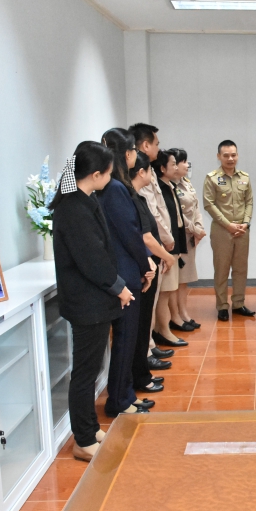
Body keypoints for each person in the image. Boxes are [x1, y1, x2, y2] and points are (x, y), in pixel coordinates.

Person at [50, 141, 133, 461]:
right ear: (95, 174)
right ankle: (83, 439)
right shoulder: (72, 208)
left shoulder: (84, 199)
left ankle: (90, 428)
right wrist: (118, 287)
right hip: (87, 303)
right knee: (85, 374)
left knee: (92, 368)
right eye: (108, 174)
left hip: (94, 301)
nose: (110, 179)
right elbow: (92, 260)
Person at [96, 137, 156, 417]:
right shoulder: (117, 188)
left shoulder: (112, 186)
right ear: (129, 154)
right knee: (125, 338)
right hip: (125, 272)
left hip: (121, 270)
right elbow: (131, 234)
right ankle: (120, 399)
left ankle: (124, 395)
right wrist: (145, 265)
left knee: (126, 338)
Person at [128, 152, 178, 396]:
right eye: (150, 170)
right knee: (137, 328)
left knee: (142, 323)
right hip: (140, 269)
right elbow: (145, 237)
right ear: (141, 172)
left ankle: (142, 374)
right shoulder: (130, 198)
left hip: (148, 264)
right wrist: (166, 256)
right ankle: (139, 377)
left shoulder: (136, 197)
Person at [203, 140, 255, 321]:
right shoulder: (212, 178)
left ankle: (239, 303)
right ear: (219, 156)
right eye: (226, 155)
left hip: (242, 230)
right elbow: (209, 204)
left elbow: (249, 202)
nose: (230, 159)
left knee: (240, 269)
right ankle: (222, 306)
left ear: (237, 155)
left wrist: (246, 223)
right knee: (222, 269)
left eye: (233, 155)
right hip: (222, 231)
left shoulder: (245, 177)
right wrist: (228, 225)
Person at [152, 150, 189, 348]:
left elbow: (177, 220)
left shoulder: (170, 186)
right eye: (173, 164)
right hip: (166, 246)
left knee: (169, 289)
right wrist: (169, 242)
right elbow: (160, 220)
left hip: (174, 244)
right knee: (164, 292)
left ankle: (162, 329)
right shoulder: (159, 188)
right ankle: (163, 330)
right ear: (162, 168)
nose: (176, 167)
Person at [166, 148, 205, 332]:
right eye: (182, 162)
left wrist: (199, 228)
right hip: (180, 236)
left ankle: (183, 313)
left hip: (191, 237)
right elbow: (177, 215)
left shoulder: (186, 183)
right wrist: (195, 230)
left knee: (184, 280)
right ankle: (174, 316)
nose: (186, 165)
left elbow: (196, 208)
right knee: (175, 280)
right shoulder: (169, 186)